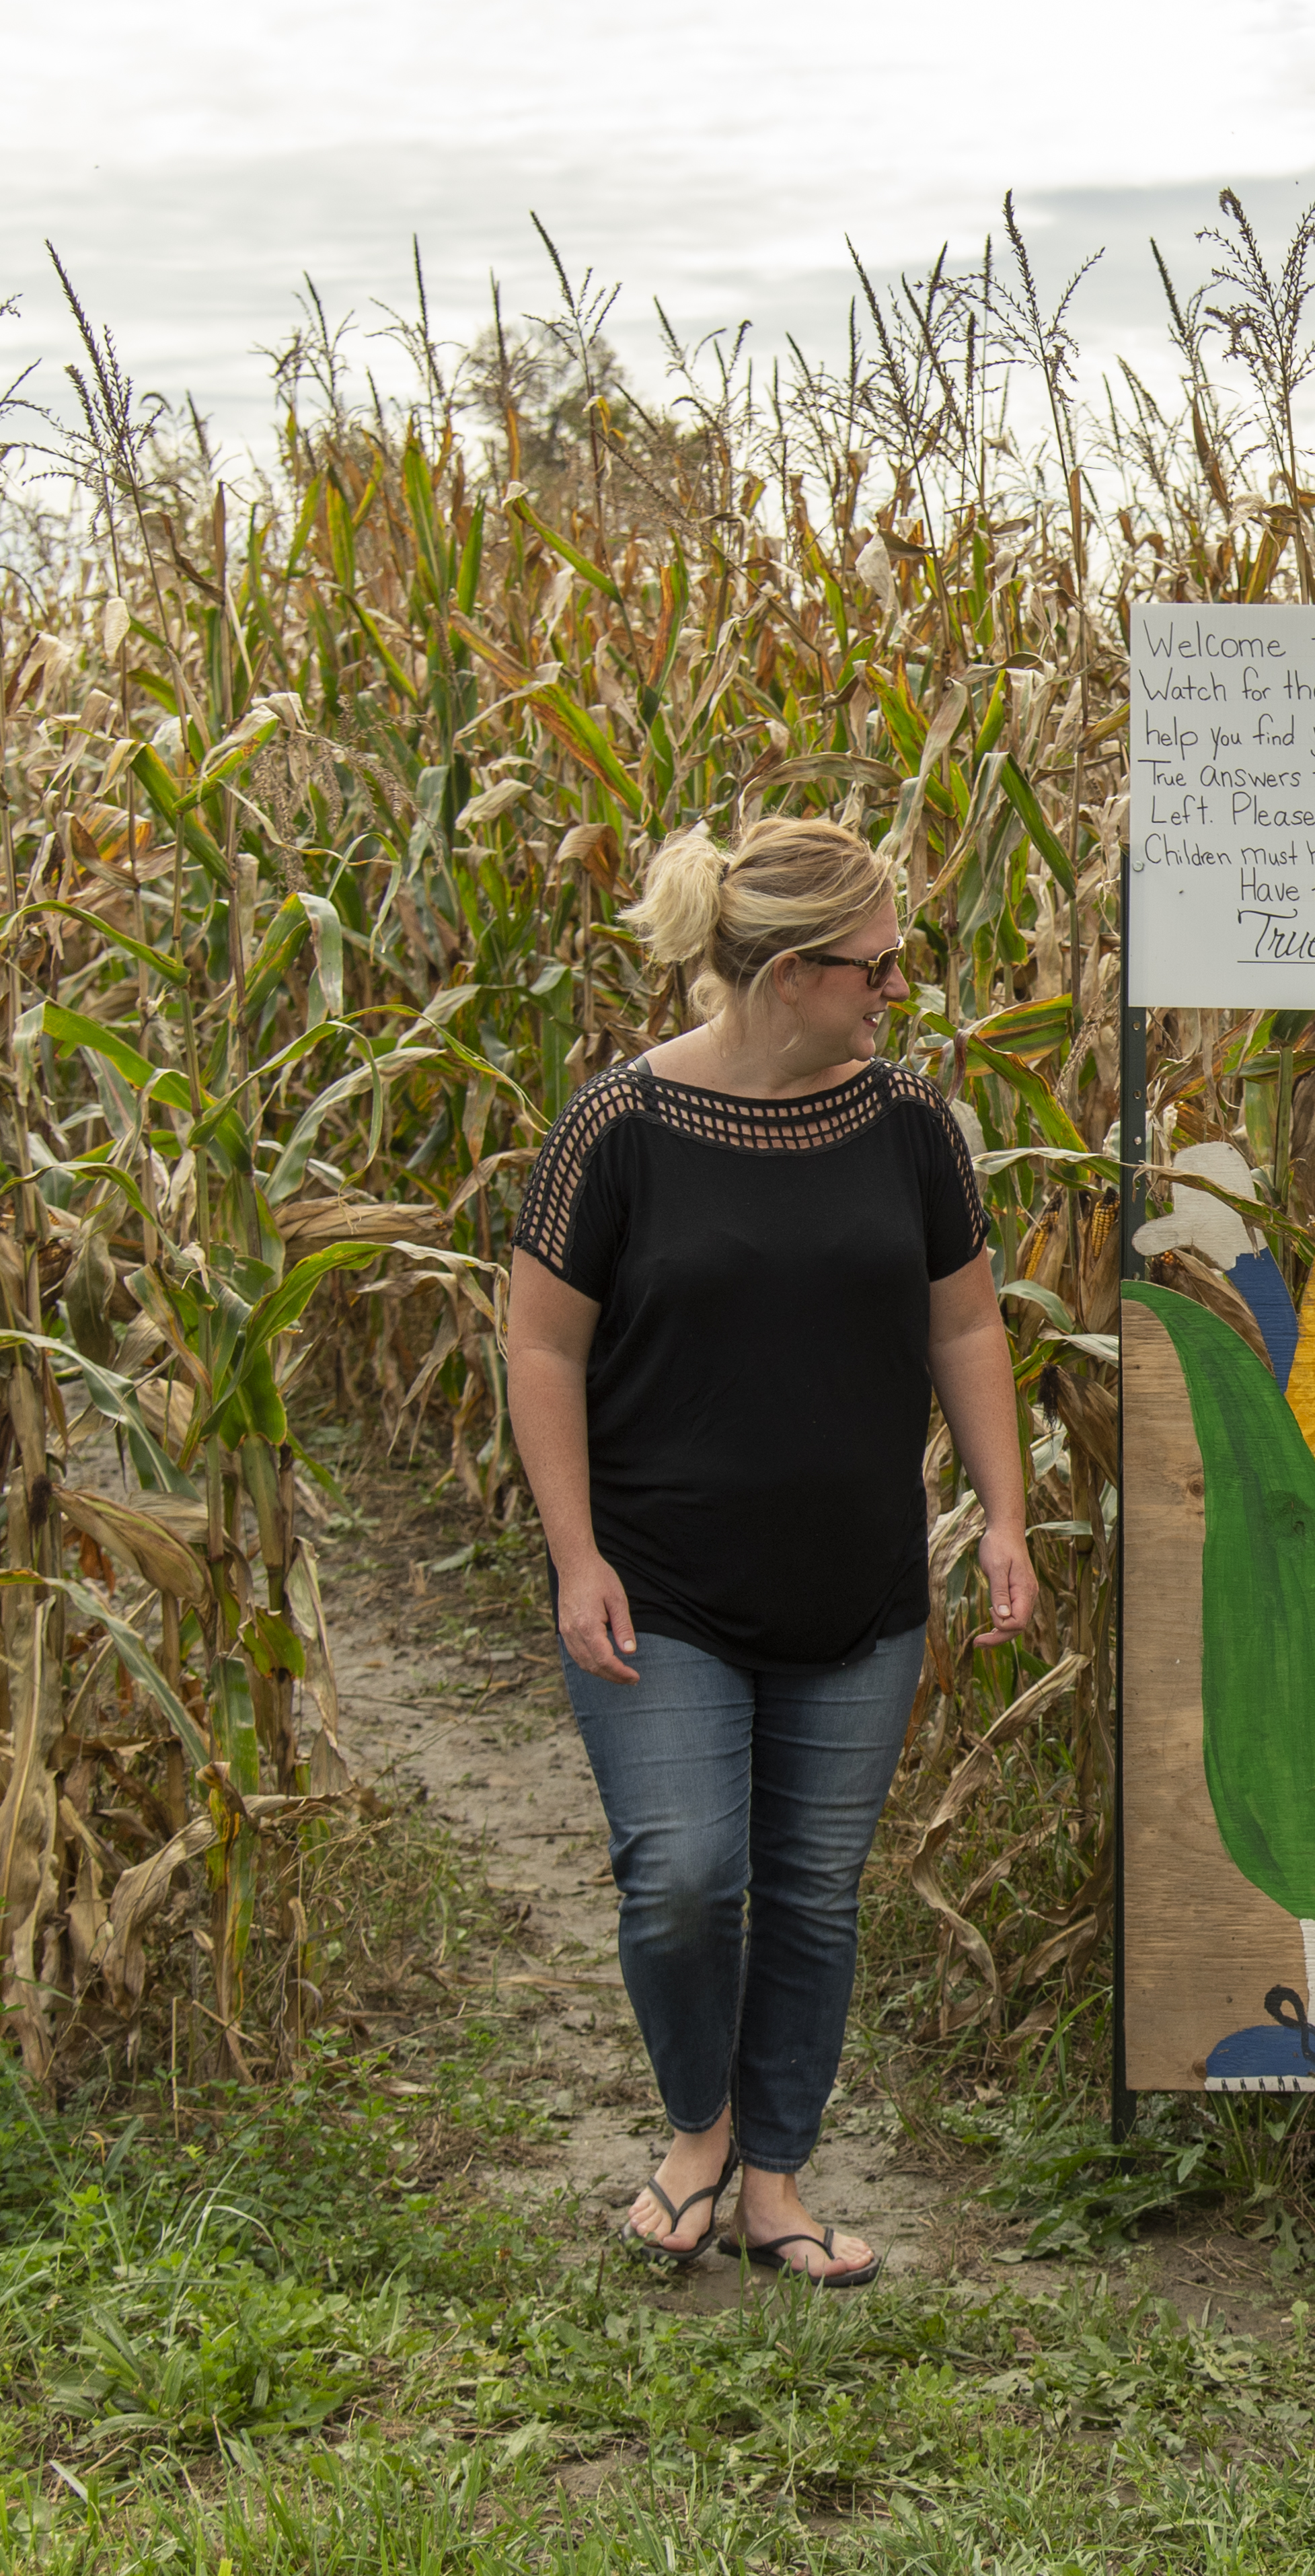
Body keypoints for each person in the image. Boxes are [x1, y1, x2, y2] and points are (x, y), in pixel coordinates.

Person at [504, 813, 1039, 2289]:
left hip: (855, 1587)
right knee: (683, 1874)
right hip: (659, 1581)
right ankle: (699, 2129)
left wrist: (999, 1513)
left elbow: (964, 1321)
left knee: (809, 1889)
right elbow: (541, 1341)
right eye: (878, 965)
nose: (897, 991)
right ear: (793, 972)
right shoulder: (617, 1127)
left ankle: (775, 2181)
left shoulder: (910, 1125)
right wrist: (573, 1555)